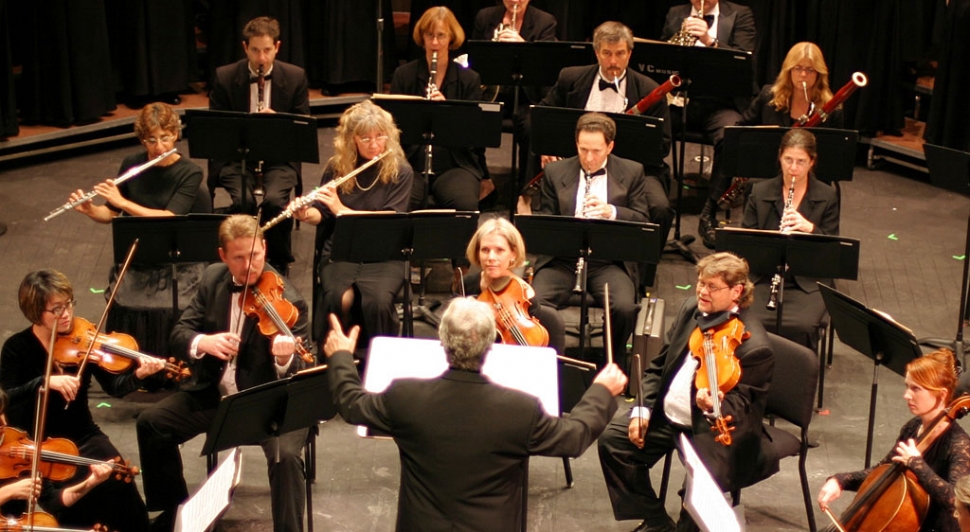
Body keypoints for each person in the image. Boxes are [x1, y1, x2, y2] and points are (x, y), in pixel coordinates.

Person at [323, 296, 628, 532]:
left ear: (442, 341)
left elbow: (352, 404)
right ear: (491, 342)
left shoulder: (405, 396)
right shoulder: (520, 408)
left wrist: (340, 356)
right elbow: (573, 438)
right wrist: (601, 390)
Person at [135, 214, 310, 532]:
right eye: (239, 257)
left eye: (255, 255)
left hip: (269, 405)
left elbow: (304, 371)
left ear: (265, 248)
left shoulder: (290, 300)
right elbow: (181, 331)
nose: (248, 266)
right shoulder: (213, 279)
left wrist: (284, 361)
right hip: (216, 396)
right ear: (223, 257)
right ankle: (174, 513)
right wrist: (204, 341)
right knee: (152, 423)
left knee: (284, 456)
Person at [598, 252, 776, 532]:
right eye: (700, 284)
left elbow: (743, 406)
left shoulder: (754, 346)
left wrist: (713, 405)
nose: (703, 292)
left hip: (711, 430)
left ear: (737, 291)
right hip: (667, 416)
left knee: (700, 494)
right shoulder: (691, 309)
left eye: (712, 287)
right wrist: (642, 409)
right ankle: (657, 523)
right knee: (613, 442)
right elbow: (659, 366)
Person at [0, 269, 165, 531]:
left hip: (84, 434)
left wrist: (138, 375)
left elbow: (115, 388)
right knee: (78, 502)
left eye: (68, 304)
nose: (66, 314)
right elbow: (7, 399)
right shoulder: (16, 349)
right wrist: (44, 382)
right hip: (40, 445)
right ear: (35, 312)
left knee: (119, 479)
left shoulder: (82, 337)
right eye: (56, 309)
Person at [68, 102, 205, 363]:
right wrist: (90, 209)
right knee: (126, 298)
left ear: (175, 134)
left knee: (167, 302)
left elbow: (169, 218)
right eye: (151, 140)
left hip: (176, 257)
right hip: (139, 253)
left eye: (165, 138)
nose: (159, 147)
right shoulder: (131, 164)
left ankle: (170, 361)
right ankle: (129, 363)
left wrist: (123, 203)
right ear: (143, 139)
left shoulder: (190, 172)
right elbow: (109, 214)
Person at [530, 20, 672, 241]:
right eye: (607, 53)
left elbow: (663, 144)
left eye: (620, 53)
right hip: (580, 158)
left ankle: (644, 268)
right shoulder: (570, 78)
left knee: (660, 208)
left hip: (635, 168)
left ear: (629, 54)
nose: (613, 61)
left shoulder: (649, 90)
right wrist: (546, 148)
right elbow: (542, 116)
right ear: (596, 53)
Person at [292, 99, 412, 351]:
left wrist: (341, 209)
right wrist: (305, 213)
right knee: (338, 298)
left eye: (380, 136)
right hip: (342, 250)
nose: (374, 144)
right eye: (365, 138)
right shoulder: (337, 168)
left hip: (383, 254)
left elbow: (389, 221)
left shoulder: (400, 171)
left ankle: (381, 359)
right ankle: (336, 359)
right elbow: (322, 213)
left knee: (377, 303)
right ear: (352, 139)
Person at [533, 112, 649, 370]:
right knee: (533, 302)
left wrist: (612, 212)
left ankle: (614, 364)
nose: (588, 158)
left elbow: (643, 218)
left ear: (610, 146)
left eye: (596, 150)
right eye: (583, 149)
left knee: (625, 307)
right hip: (562, 260)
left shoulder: (632, 172)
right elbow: (545, 221)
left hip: (607, 261)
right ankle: (545, 362)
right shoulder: (554, 171)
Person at [818, 348, 970, 532]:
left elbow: (957, 500)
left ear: (942, 394)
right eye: (907, 386)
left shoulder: (959, 445)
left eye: (916, 389)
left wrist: (916, 464)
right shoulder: (913, 427)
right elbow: (883, 471)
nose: (907, 395)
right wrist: (840, 480)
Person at [209, 16, 311, 276]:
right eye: (255, 50)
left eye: (267, 50)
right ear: (245, 48)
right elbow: (217, 130)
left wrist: (277, 123)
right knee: (242, 201)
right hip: (237, 157)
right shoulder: (225, 77)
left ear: (277, 47)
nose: (261, 58)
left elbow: (302, 129)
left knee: (276, 202)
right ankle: (240, 257)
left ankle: (277, 260)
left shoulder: (295, 77)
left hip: (279, 157)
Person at [660, 0, 756, 249]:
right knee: (650, 125)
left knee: (731, 133)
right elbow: (660, 60)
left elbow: (744, 61)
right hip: (680, 100)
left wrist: (709, 41)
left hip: (719, 102)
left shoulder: (740, 14)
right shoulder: (675, 13)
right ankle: (655, 204)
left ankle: (709, 212)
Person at [740, 128, 838, 351]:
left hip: (806, 280)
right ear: (780, 157)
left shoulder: (826, 195)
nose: (793, 168)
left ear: (812, 162)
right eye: (788, 160)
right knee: (750, 319)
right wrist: (773, 239)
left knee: (803, 326)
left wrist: (810, 228)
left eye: (801, 162)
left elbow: (834, 249)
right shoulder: (760, 191)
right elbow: (746, 240)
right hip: (765, 276)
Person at [390, 6, 485, 214]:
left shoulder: (469, 80)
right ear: (422, 37)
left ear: (451, 39)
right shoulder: (404, 75)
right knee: (399, 205)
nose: (435, 43)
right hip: (411, 163)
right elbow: (392, 128)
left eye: (441, 36)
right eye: (430, 35)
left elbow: (475, 135)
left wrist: (446, 112)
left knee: (465, 206)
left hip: (453, 163)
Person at [0, 387, 112, 520]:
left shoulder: (15, 441)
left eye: (2, 413)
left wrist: (89, 483)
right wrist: (8, 492)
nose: (4, 423)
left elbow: (52, 501)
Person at [464, 216, 564, 353]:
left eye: (499, 250)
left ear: (513, 254)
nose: (491, 257)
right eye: (485, 250)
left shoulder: (524, 295)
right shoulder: (466, 286)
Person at [739, 42, 843, 129]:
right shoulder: (768, 96)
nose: (803, 74)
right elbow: (739, 130)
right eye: (798, 68)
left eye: (810, 70)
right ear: (789, 71)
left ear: (819, 75)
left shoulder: (831, 109)